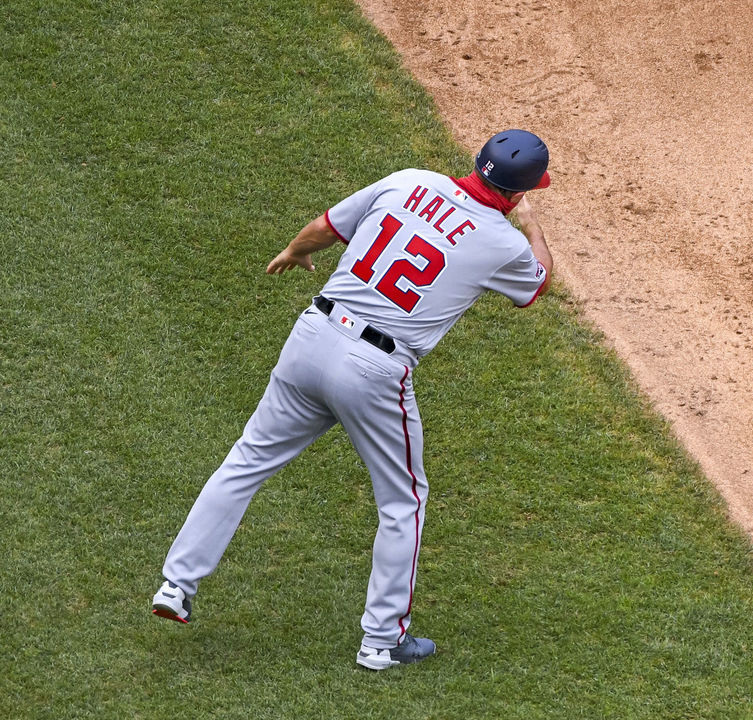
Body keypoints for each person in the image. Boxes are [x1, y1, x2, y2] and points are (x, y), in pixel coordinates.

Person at [150, 129, 555, 670]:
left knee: (246, 461)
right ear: (518, 191)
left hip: (313, 335)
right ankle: (382, 641)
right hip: (375, 370)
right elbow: (537, 286)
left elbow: (326, 227)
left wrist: (294, 252)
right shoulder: (503, 242)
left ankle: (175, 585)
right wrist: (530, 225)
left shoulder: (412, 180)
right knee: (402, 503)